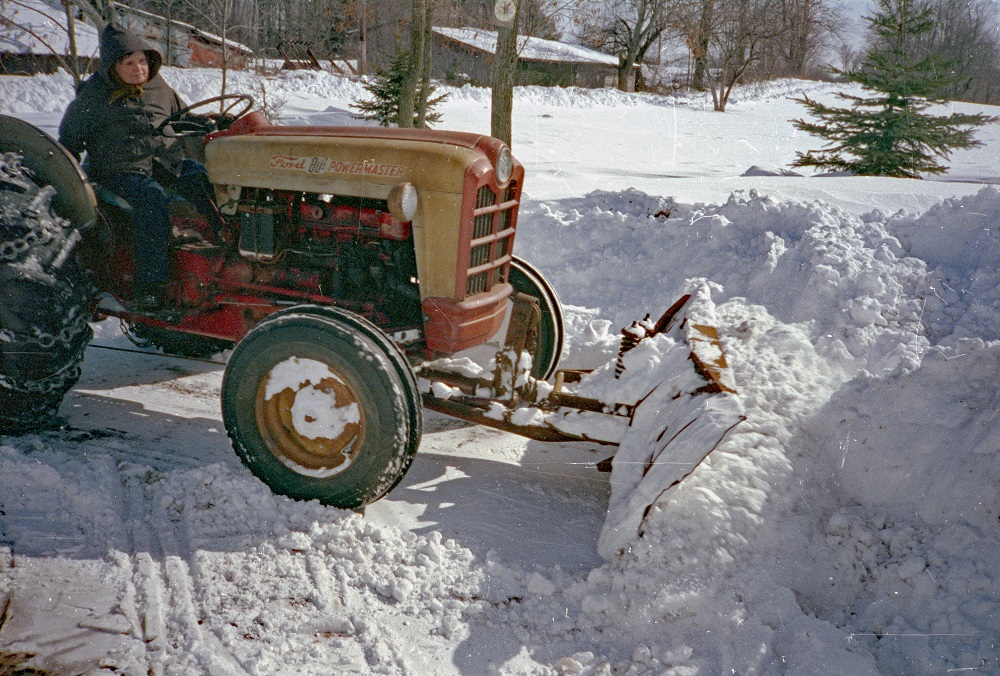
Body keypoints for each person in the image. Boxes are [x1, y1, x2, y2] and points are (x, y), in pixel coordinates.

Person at [59, 23, 219, 309]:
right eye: (129, 63)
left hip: (164, 163)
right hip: (119, 171)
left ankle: (225, 250)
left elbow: (181, 117)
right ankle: (150, 285)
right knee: (152, 200)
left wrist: (203, 122)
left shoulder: (160, 88)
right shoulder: (93, 97)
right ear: (112, 67)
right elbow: (69, 141)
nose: (138, 69)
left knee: (206, 179)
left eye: (142, 61)